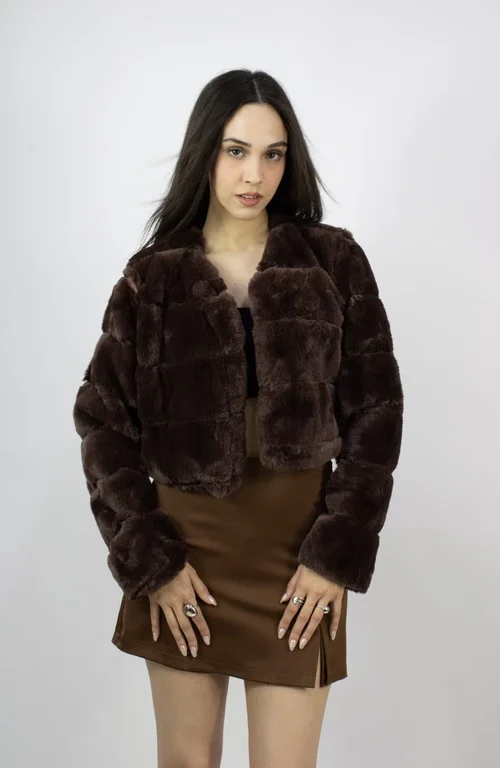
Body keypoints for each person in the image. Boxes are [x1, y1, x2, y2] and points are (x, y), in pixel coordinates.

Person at [73, 68, 404, 768]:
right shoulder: (153, 275)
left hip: (298, 560)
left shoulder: (334, 261)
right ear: (206, 151)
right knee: (186, 761)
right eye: (236, 151)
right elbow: (103, 425)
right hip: (186, 555)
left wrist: (334, 555)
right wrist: (152, 560)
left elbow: (376, 416)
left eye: (273, 154)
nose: (255, 174)